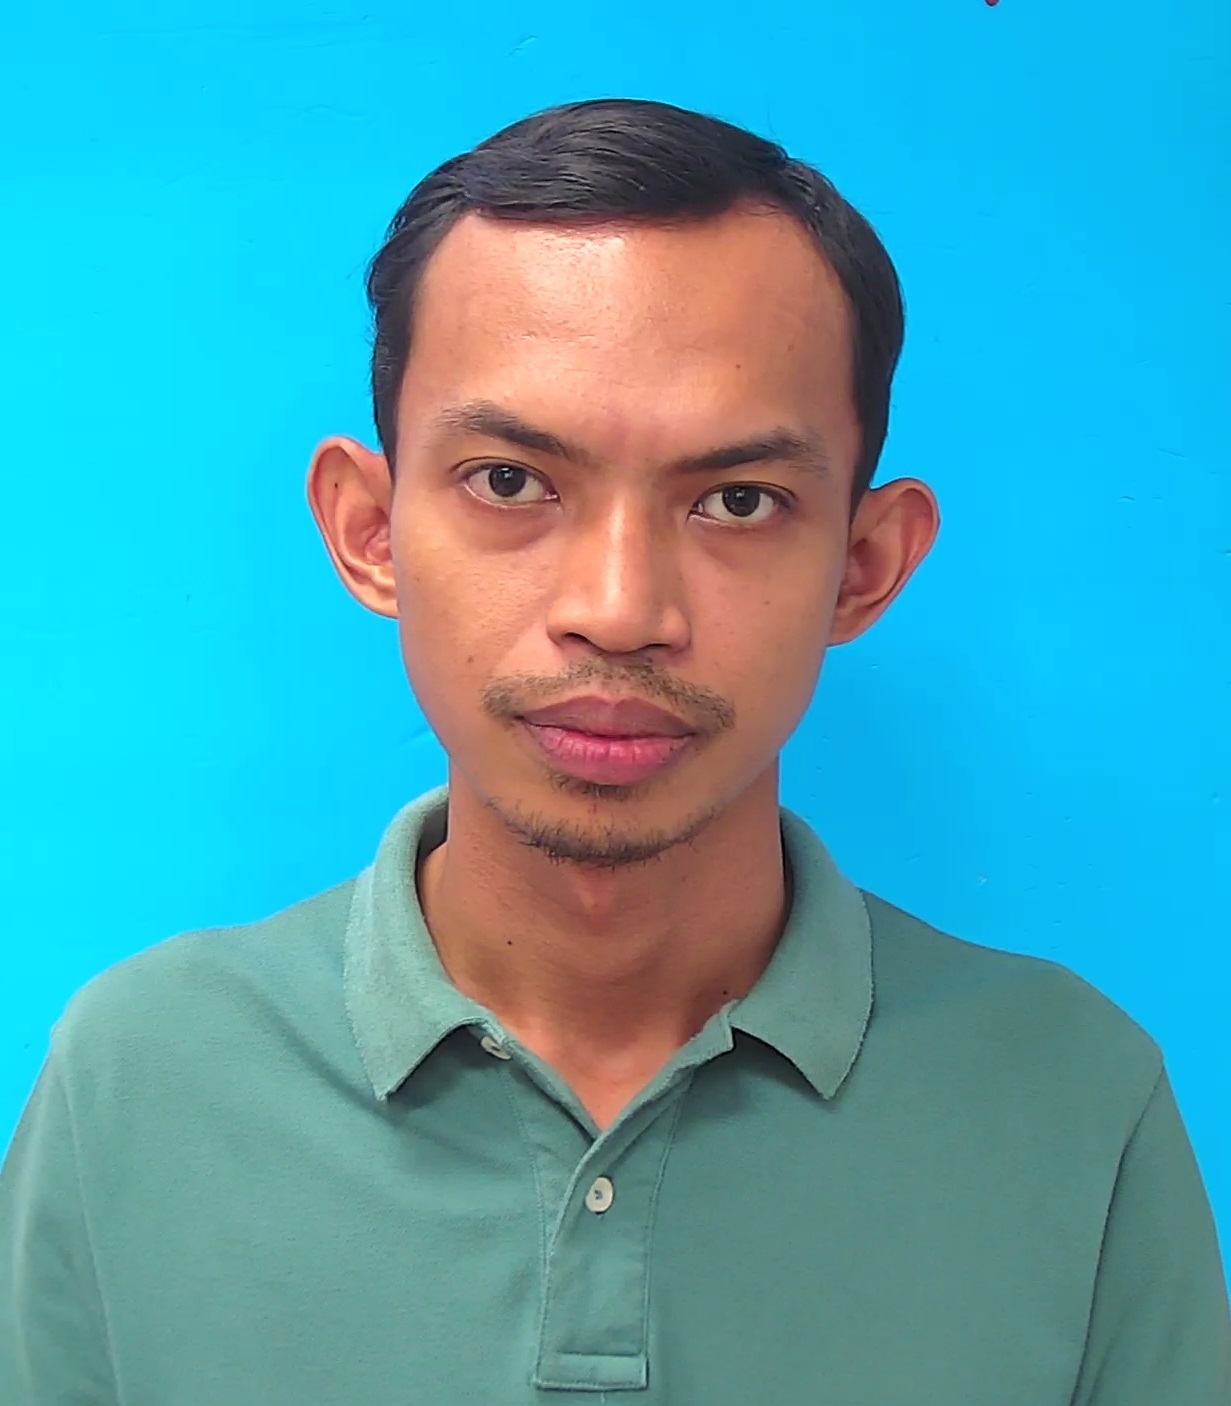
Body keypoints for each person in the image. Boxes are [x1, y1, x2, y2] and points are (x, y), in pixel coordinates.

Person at [2, 98, 1227, 1405]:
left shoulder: (1076, 1102)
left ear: (864, 567)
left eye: (738, 500)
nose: (621, 607)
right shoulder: (136, 1082)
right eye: (510, 481)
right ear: (370, 532)